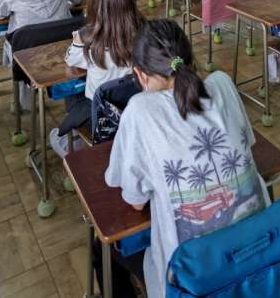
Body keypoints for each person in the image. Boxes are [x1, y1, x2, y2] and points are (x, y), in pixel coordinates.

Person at [105, 19, 268, 298]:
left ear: (140, 75)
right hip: (261, 261)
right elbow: (248, 144)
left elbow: (135, 200)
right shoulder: (222, 83)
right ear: (190, 58)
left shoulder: (140, 111)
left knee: (110, 249)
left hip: (196, 282)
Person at [50, 0, 144, 157]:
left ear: (93, 6)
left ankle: (71, 142)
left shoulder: (90, 41)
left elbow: (70, 59)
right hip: (136, 109)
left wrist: (78, 38)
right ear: (130, 0)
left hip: (99, 115)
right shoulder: (146, 33)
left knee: (74, 88)